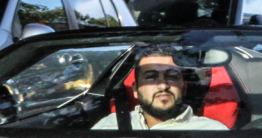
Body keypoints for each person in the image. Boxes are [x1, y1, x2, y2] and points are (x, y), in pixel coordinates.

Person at [93, 49, 227, 131]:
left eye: (172, 76)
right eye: (151, 77)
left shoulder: (213, 132)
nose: (163, 86)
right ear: (135, 90)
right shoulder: (108, 125)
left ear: (184, 87)